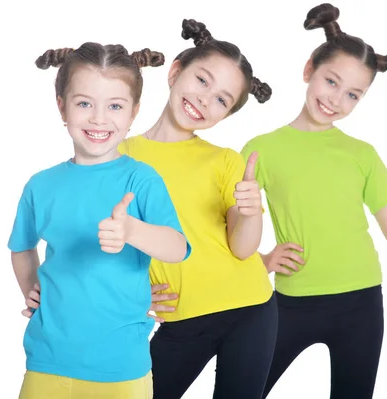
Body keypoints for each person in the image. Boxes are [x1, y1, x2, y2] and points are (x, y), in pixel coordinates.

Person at [240, 4, 387, 399]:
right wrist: (264, 262)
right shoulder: (260, 150)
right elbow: (229, 230)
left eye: (353, 94)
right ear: (309, 71)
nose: (336, 99)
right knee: (245, 388)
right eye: (331, 82)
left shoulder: (362, 154)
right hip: (291, 302)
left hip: (360, 303)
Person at [9, 42, 191, 399]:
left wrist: (132, 230)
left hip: (121, 368)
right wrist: (34, 293)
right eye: (84, 104)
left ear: (133, 112)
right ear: (61, 105)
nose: (98, 118)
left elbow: (177, 247)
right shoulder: (40, 185)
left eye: (115, 106)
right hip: (48, 362)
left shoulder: (141, 179)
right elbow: (22, 248)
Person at [117, 19, 277, 399]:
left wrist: (251, 210)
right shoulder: (118, 157)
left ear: (225, 115)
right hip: (179, 319)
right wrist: (131, 294)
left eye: (221, 99)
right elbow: (107, 240)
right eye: (202, 80)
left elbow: (242, 248)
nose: (205, 99)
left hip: (250, 310)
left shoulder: (225, 161)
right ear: (175, 71)